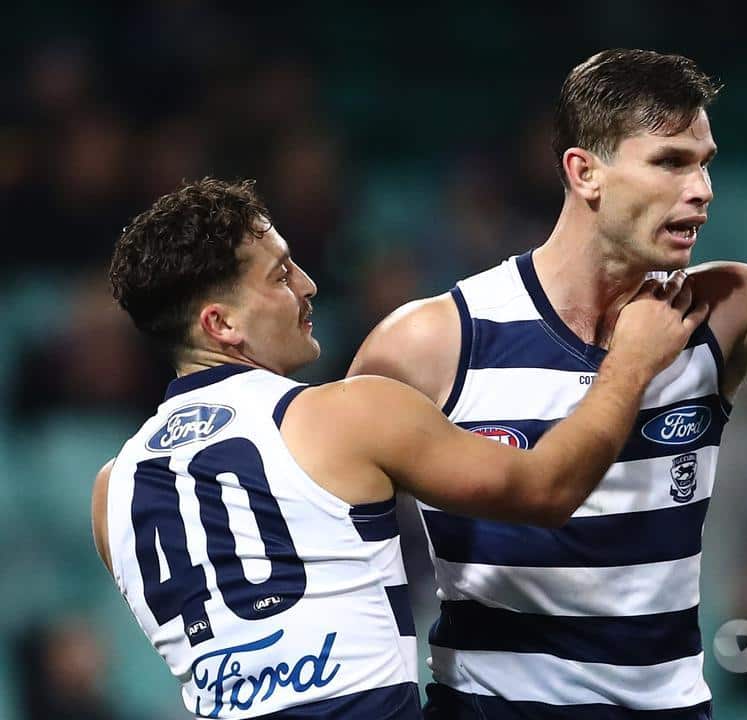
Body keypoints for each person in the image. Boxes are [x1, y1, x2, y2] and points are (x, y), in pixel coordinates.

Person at [348, 29, 747, 718]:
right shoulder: (432, 341)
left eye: (706, 163)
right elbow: (330, 536)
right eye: (670, 163)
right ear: (583, 171)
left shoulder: (720, 311)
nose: (702, 191)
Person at [90, 178, 705, 719]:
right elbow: (548, 489)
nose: (307, 285)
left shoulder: (110, 492)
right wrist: (629, 364)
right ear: (222, 325)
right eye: (279, 275)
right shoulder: (348, 413)